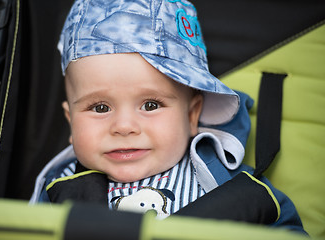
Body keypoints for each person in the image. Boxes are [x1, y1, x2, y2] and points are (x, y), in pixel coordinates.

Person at [31, 0, 306, 233]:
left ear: (191, 115)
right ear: (71, 121)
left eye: (150, 105)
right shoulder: (57, 189)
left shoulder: (229, 183)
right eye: (100, 108)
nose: (124, 127)